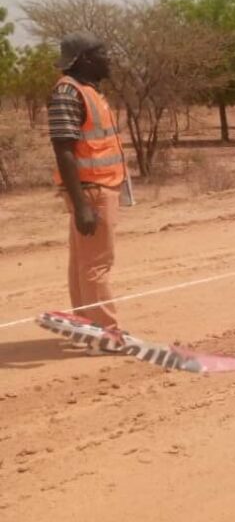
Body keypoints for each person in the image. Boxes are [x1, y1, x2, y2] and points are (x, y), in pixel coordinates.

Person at [48, 32, 128, 345]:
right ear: (85, 59)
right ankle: (108, 335)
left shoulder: (86, 90)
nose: (110, 59)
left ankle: (85, 327)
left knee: (84, 264)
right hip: (92, 191)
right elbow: (63, 148)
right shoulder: (70, 92)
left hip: (94, 188)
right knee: (97, 265)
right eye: (103, 53)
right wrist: (81, 204)